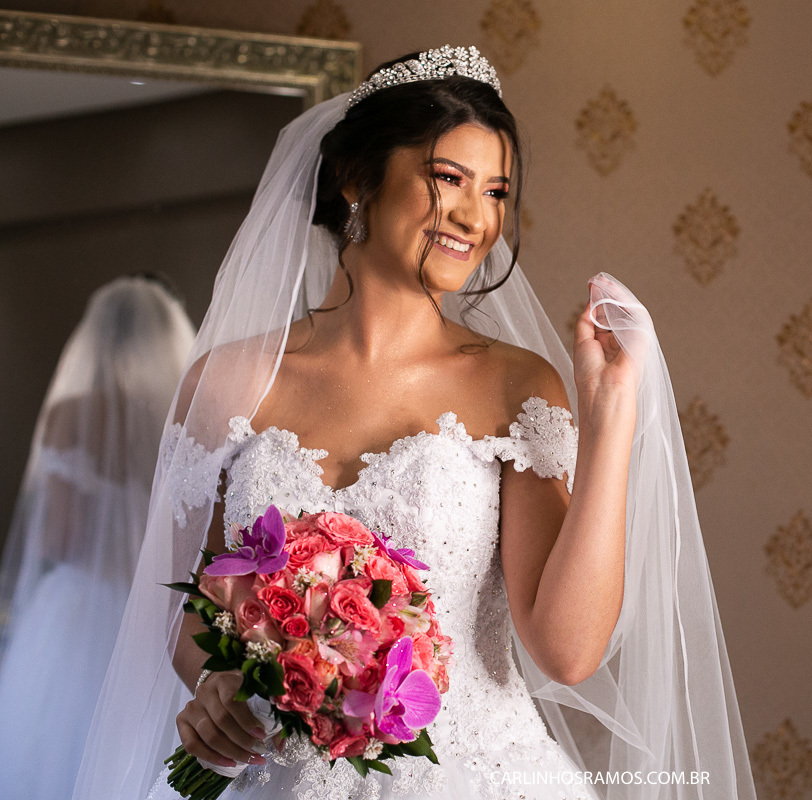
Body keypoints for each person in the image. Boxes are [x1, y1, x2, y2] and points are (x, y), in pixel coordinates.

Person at [74, 47, 757, 799]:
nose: (476, 216)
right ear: (355, 177)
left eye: (496, 191)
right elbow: (187, 611)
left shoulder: (514, 387)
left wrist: (611, 417)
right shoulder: (228, 384)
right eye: (447, 178)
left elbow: (568, 653)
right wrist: (217, 686)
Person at [0, 274, 195, 799]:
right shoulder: (180, 411)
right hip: (158, 607)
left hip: (83, 607)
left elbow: (58, 538)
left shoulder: (70, 415)